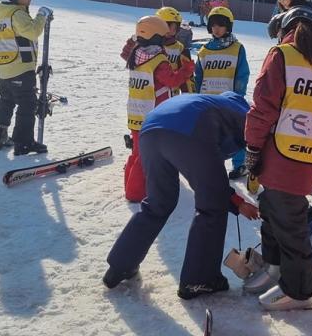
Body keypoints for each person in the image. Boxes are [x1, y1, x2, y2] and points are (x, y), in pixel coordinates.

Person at [103, 92, 260, 298]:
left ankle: (120, 266)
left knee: (157, 204)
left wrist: (235, 201)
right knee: (211, 207)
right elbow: (214, 184)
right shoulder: (245, 115)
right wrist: (240, 201)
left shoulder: (211, 105)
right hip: (188, 130)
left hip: (150, 131)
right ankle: (199, 280)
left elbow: (209, 175)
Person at [242, 6, 312, 311]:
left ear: (285, 29)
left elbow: (263, 107)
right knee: (273, 214)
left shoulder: (282, 55)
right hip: (307, 157)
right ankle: (275, 268)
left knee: (290, 225)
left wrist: (251, 147)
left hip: (279, 154)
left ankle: (300, 292)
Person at [123, 16, 195, 202]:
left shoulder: (136, 53)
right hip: (152, 113)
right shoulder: (158, 59)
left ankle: (131, 185)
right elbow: (172, 80)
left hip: (135, 110)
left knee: (137, 152)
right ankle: (135, 192)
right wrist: (187, 69)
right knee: (145, 156)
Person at [0, 0, 52, 155]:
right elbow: (33, 32)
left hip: (6, 67)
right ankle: (24, 143)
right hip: (20, 67)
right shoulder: (17, 14)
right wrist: (42, 15)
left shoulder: (5, 14)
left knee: (6, 100)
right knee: (27, 104)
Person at [195, 6, 250, 179]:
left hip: (229, 101)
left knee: (234, 133)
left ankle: (240, 164)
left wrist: (237, 95)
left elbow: (242, 74)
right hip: (208, 101)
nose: (216, 29)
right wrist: (197, 96)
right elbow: (199, 75)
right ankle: (212, 164)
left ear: (228, 27)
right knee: (211, 135)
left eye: (221, 25)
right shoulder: (204, 51)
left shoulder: (237, 48)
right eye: (213, 25)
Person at [156, 6, 195, 93]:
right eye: (167, 26)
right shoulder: (151, 46)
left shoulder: (179, 48)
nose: (170, 31)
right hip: (153, 98)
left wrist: (189, 96)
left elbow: (187, 77)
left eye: (174, 28)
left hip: (173, 98)